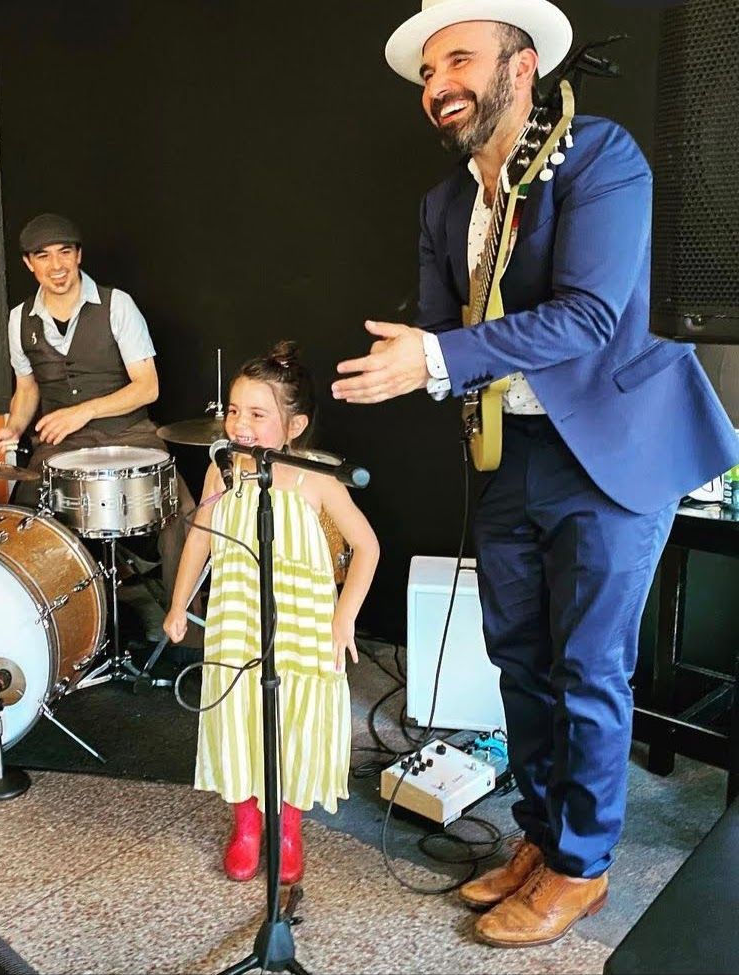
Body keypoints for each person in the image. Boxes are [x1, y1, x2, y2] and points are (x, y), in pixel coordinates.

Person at [331, 0, 739, 948]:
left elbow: (591, 315)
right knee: (518, 657)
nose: (439, 86)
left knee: (588, 665)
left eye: (459, 61)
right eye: (428, 72)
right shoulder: (443, 206)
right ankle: (543, 835)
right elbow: (444, 334)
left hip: (611, 451)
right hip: (510, 452)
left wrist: (435, 356)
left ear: (521, 68)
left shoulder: (600, 157)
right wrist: (418, 357)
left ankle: (583, 868)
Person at [164, 341, 380, 884]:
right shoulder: (222, 472)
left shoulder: (316, 477)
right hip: (237, 621)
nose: (240, 424)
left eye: (258, 415)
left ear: (295, 425)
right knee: (239, 719)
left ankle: (286, 828)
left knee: (294, 725)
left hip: (302, 627)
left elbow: (367, 547)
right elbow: (200, 539)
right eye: (235, 410)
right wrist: (178, 604)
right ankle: (245, 826)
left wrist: (344, 617)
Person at [0, 212, 194, 604]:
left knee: (181, 513)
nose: (56, 265)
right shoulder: (18, 320)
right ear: (29, 263)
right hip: (59, 447)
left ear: (78, 255)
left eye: (64, 252)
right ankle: (56, 621)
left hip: (129, 434)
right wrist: (13, 427)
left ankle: (182, 622)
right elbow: (27, 388)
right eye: (43, 256)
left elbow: (148, 387)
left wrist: (84, 411)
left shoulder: (118, 305)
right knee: (20, 521)